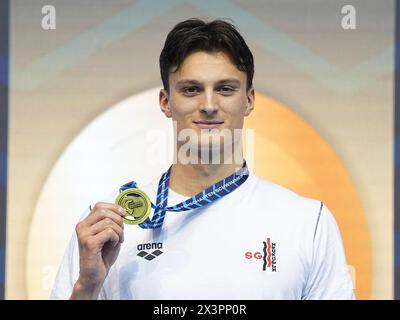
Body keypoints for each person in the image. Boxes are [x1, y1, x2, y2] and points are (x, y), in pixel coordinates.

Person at [51, 18, 355, 300]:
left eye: (225, 89)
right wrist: (86, 288)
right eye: (191, 89)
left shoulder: (307, 223)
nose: (208, 105)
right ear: (166, 101)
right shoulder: (104, 224)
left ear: (249, 100)